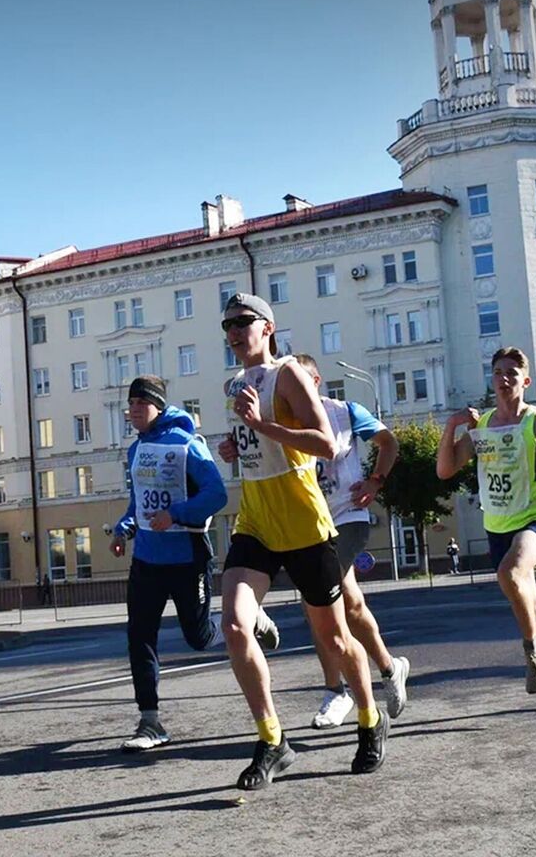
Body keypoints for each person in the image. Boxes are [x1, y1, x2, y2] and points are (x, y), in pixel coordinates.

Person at [216, 293, 388, 790]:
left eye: (243, 322)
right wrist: (236, 445)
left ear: (267, 327)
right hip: (256, 522)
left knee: (335, 640)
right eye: (226, 325)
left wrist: (259, 426)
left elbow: (325, 443)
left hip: (305, 524)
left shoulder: (287, 374)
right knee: (232, 625)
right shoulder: (236, 383)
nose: (233, 331)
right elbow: (260, 448)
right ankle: (272, 739)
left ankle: (371, 718)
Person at [111, 375, 281, 752]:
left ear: (157, 405)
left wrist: (176, 514)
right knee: (139, 637)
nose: (132, 411)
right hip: (146, 561)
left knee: (199, 637)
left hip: (187, 558)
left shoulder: (188, 444)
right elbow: (137, 501)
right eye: (130, 405)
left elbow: (216, 494)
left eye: (140, 403)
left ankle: (252, 620)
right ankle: (150, 722)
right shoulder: (136, 450)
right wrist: (123, 529)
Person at [436, 347, 536, 712]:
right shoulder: (480, 426)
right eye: (498, 373)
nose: (503, 380)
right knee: (526, 600)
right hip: (497, 523)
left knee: (512, 571)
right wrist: (452, 426)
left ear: (525, 381)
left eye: (511, 374)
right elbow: (445, 470)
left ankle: (532, 653)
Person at [291, 353, 410, 729]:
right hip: (311, 522)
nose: (294, 389)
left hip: (348, 516)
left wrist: (376, 480)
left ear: (317, 382)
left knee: (318, 601)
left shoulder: (344, 411)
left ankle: (336, 690)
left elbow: (388, 442)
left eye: (301, 381)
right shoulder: (283, 418)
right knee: (352, 604)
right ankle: (391, 669)